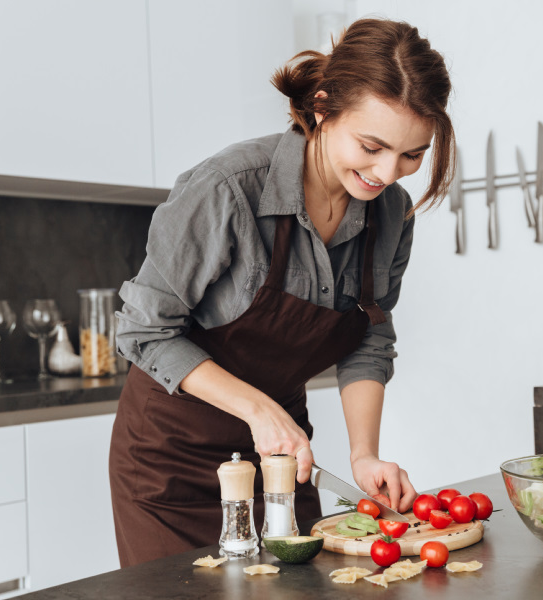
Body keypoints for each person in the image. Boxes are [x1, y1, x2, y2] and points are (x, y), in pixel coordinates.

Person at [108, 17, 455, 567]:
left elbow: (368, 338)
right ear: (322, 107)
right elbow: (143, 331)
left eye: (412, 155)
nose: (388, 172)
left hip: (281, 459)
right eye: (371, 146)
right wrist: (258, 409)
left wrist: (364, 455)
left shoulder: (390, 214)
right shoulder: (227, 188)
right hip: (171, 463)